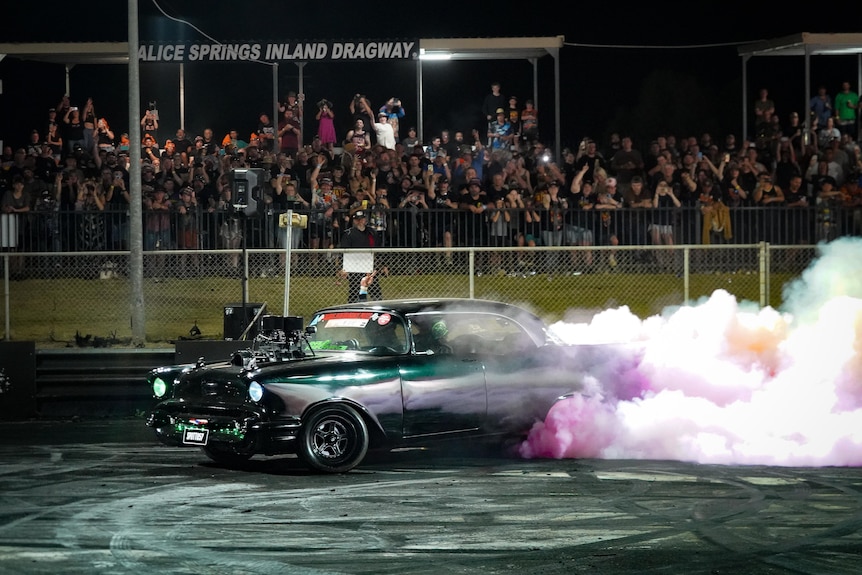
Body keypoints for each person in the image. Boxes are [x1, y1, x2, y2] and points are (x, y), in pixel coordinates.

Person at [340, 210, 383, 302]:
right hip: (354, 267)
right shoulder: (348, 234)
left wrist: (381, 265)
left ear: (365, 220)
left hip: (369, 266)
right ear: (354, 221)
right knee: (355, 290)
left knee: (375, 290)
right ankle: (353, 307)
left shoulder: (372, 232)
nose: (359, 221)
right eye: (357, 219)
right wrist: (344, 268)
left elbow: (378, 250)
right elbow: (344, 252)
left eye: (361, 219)